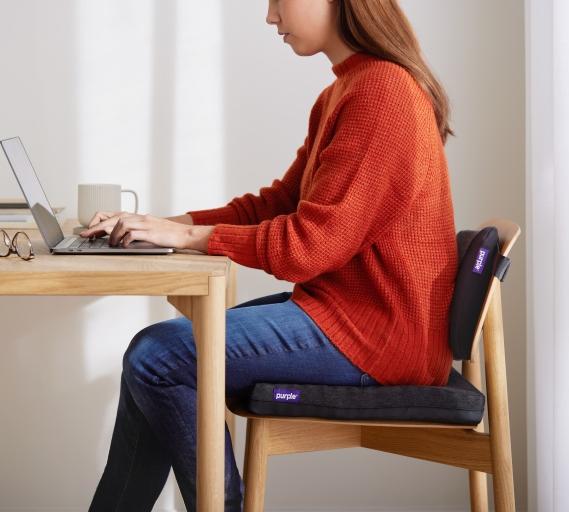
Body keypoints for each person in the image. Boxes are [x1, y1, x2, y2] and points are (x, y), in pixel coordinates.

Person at [84, 0, 458, 510]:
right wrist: (170, 225)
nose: (269, 17)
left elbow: (309, 247)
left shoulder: (382, 93)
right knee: (156, 357)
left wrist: (192, 239)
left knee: (159, 357)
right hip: (352, 319)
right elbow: (279, 204)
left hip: (376, 337)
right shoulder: (346, 90)